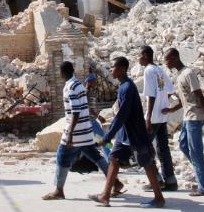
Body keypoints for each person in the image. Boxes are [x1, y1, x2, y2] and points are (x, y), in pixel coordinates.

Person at [90, 57, 165, 208]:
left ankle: (159, 198)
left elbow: (122, 115)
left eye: (114, 67)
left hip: (135, 134)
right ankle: (105, 196)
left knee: (146, 163)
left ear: (123, 68)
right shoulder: (123, 86)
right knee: (114, 159)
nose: (112, 70)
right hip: (124, 134)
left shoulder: (128, 88)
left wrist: (107, 136)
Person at [42, 61, 123, 200]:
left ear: (61, 74)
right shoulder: (80, 86)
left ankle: (59, 190)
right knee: (96, 155)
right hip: (87, 129)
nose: (94, 83)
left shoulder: (71, 87)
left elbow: (76, 111)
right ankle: (115, 182)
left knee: (62, 156)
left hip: (79, 130)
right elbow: (86, 109)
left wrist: (70, 134)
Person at [162, 48, 204, 196]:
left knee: (196, 153)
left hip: (195, 117)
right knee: (183, 145)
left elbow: (199, 97)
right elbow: (185, 100)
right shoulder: (179, 75)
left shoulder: (188, 73)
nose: (166, 63)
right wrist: (171, 110)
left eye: (167, 60)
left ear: (175, 58)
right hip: (187, 117)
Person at [140, 46, 178, 191]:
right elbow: (169, 90)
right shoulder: (160, 70)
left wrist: (148, 117)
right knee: (163, 148)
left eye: (140, 56)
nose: (138, 59)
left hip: (154, 116)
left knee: (145, 147)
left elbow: (151, 95)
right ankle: (170, 180)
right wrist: (164, 102)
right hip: (162, 115)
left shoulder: (148, 70)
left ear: (145, 56)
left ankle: (156, 179)